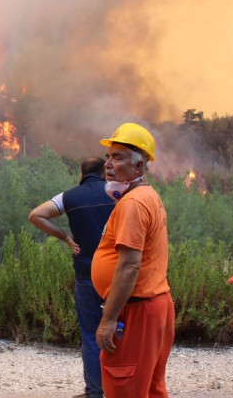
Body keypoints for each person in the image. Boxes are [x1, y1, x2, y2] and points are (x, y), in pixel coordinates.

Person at [91, 123, 175, 398]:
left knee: (125, 386)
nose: (108, 164)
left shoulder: (133, 204)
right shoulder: (147, 196)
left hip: (136, 310)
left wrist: (108, 319)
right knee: (149, 387)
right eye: (108, 157)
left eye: (118, 157)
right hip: (153, 305)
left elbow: (129, 265)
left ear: (138, 166)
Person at [28, 157, 114, 398]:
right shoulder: (119, 193)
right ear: (104, 172)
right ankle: (120, 388)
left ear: (81, 174)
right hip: (117, 275)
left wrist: (64, 237)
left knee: (90, 334)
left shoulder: (69, 196)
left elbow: (36, 215)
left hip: (86, 273)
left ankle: (95, 392)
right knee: (119, 329)